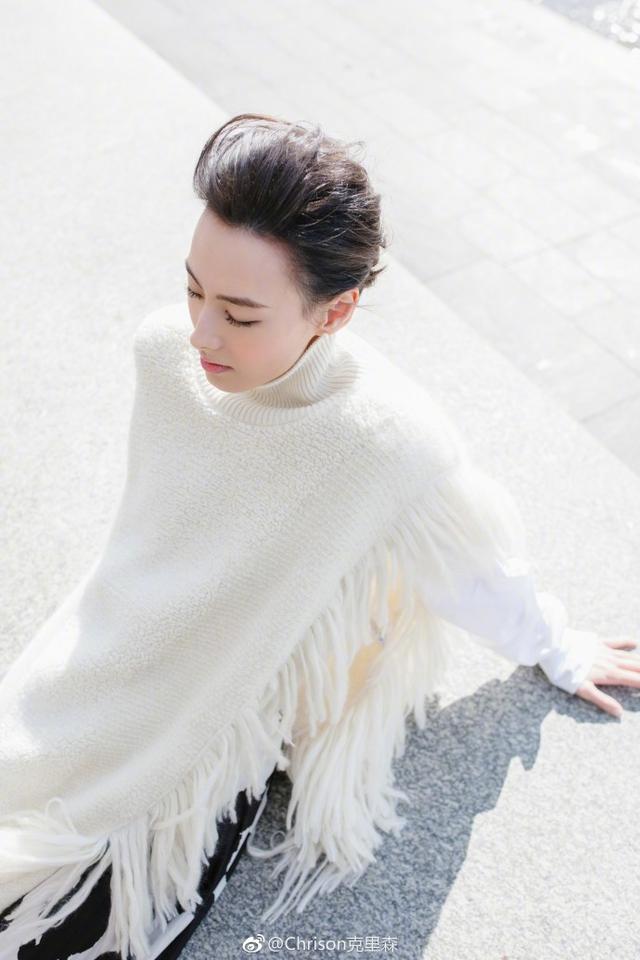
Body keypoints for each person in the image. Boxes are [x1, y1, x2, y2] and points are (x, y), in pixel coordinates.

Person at [0, 112, 637, 960]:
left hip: (228, 703)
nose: (200, 332)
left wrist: (555, 646)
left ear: (335, 312)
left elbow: (466, 565)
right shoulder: (165, 351)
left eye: (239, 314)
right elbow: (160, 528)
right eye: (193, 288)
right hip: (109, 644)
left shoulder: (383, 439)